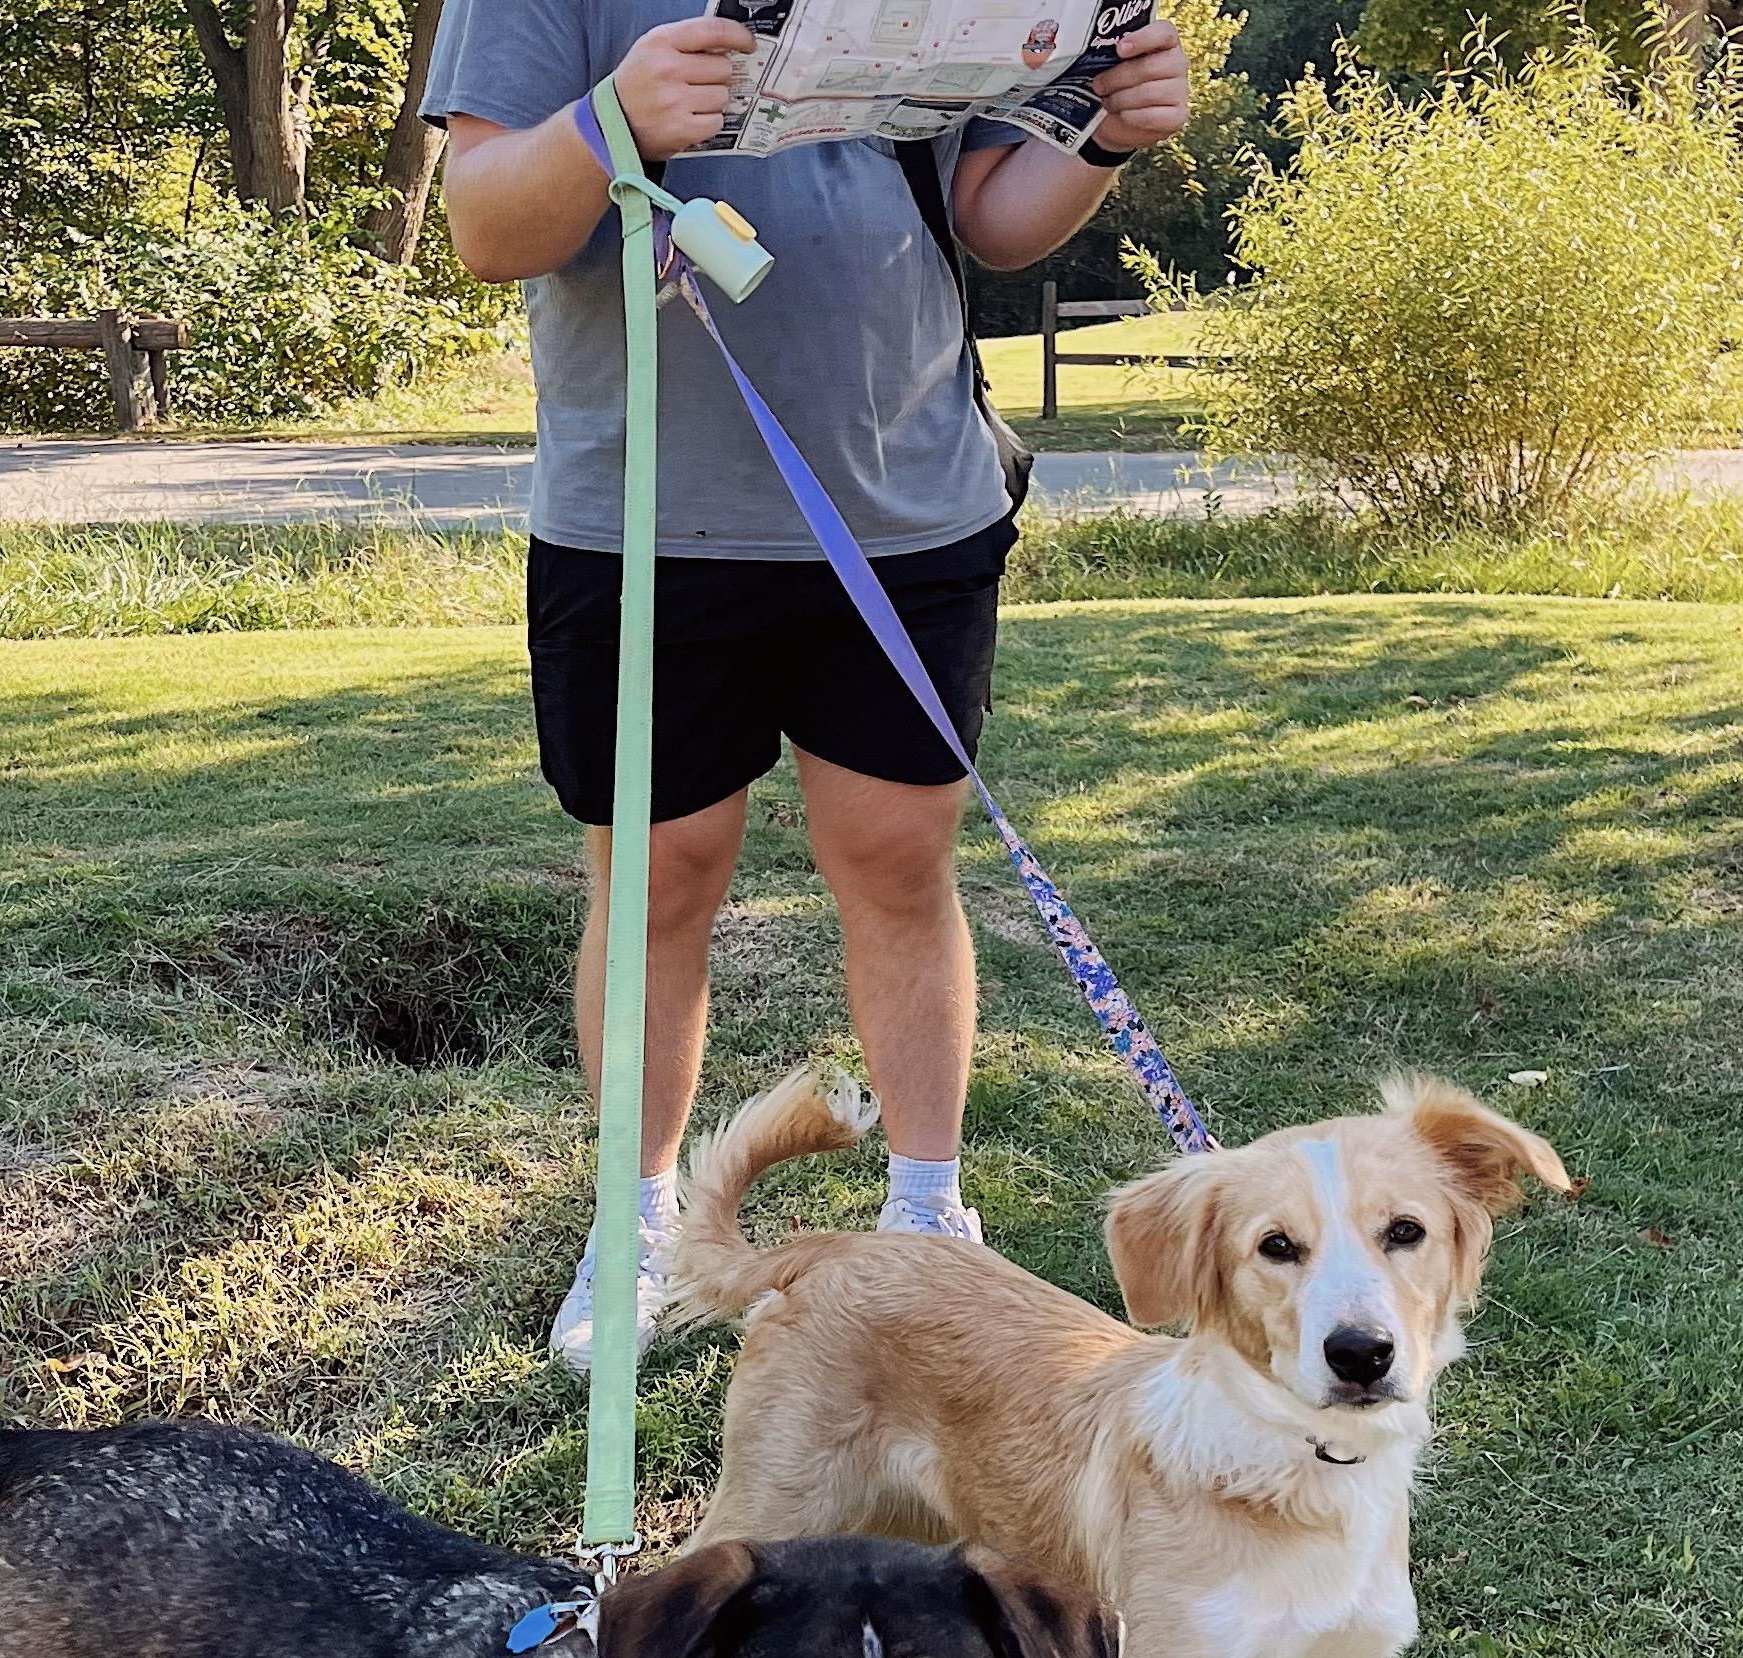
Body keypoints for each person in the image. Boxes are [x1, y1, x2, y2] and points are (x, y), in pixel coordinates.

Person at [426, 1, 1194, 1373]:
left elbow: (991, 215)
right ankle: (640, 1227)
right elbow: (485, 227)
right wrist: (612, 119)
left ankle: (924, 1217)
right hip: (642, 516)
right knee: (656, 874)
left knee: (900, 862)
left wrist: (1101, 134)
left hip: (909, 505)